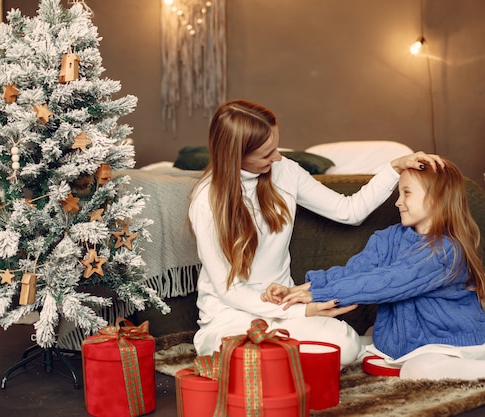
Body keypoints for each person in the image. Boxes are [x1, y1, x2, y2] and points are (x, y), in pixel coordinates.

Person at [188, 99, 443, 366]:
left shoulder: (284, 170)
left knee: (344, 345)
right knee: (247, 359)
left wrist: (394, 168)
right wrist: (305, 310)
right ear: (235, 155)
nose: (277, 157)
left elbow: (350, 211)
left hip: (285, 310)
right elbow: (230, 290)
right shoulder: (207, 201)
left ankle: (285, 360)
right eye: (266, 154)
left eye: (276, 146)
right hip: (231, 317)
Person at [267, 158, 485, 385]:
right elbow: (357, 270)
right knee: (362, 347)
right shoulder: (390, 236)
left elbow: (387, 282)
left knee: (415, 370)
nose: (397, 201)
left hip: (455, 340)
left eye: (406, 193)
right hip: (416, 334)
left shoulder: (446, 251)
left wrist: (317, 293)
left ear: (436, 198)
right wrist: (302, 289)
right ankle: (402, 350)